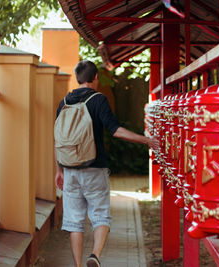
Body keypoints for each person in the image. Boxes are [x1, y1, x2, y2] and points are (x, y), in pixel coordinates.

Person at [55, 60, 159, 267]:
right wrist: (147, 140)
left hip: (70, 170)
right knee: (100, 215)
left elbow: (58, 139)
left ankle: (77, 265)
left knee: (74, 223)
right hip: (95, 168)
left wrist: (59, 171)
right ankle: (95, 255)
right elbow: (116, 130)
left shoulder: (64, 102)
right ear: (95, 78)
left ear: (77, 78)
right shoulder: (98, 99)